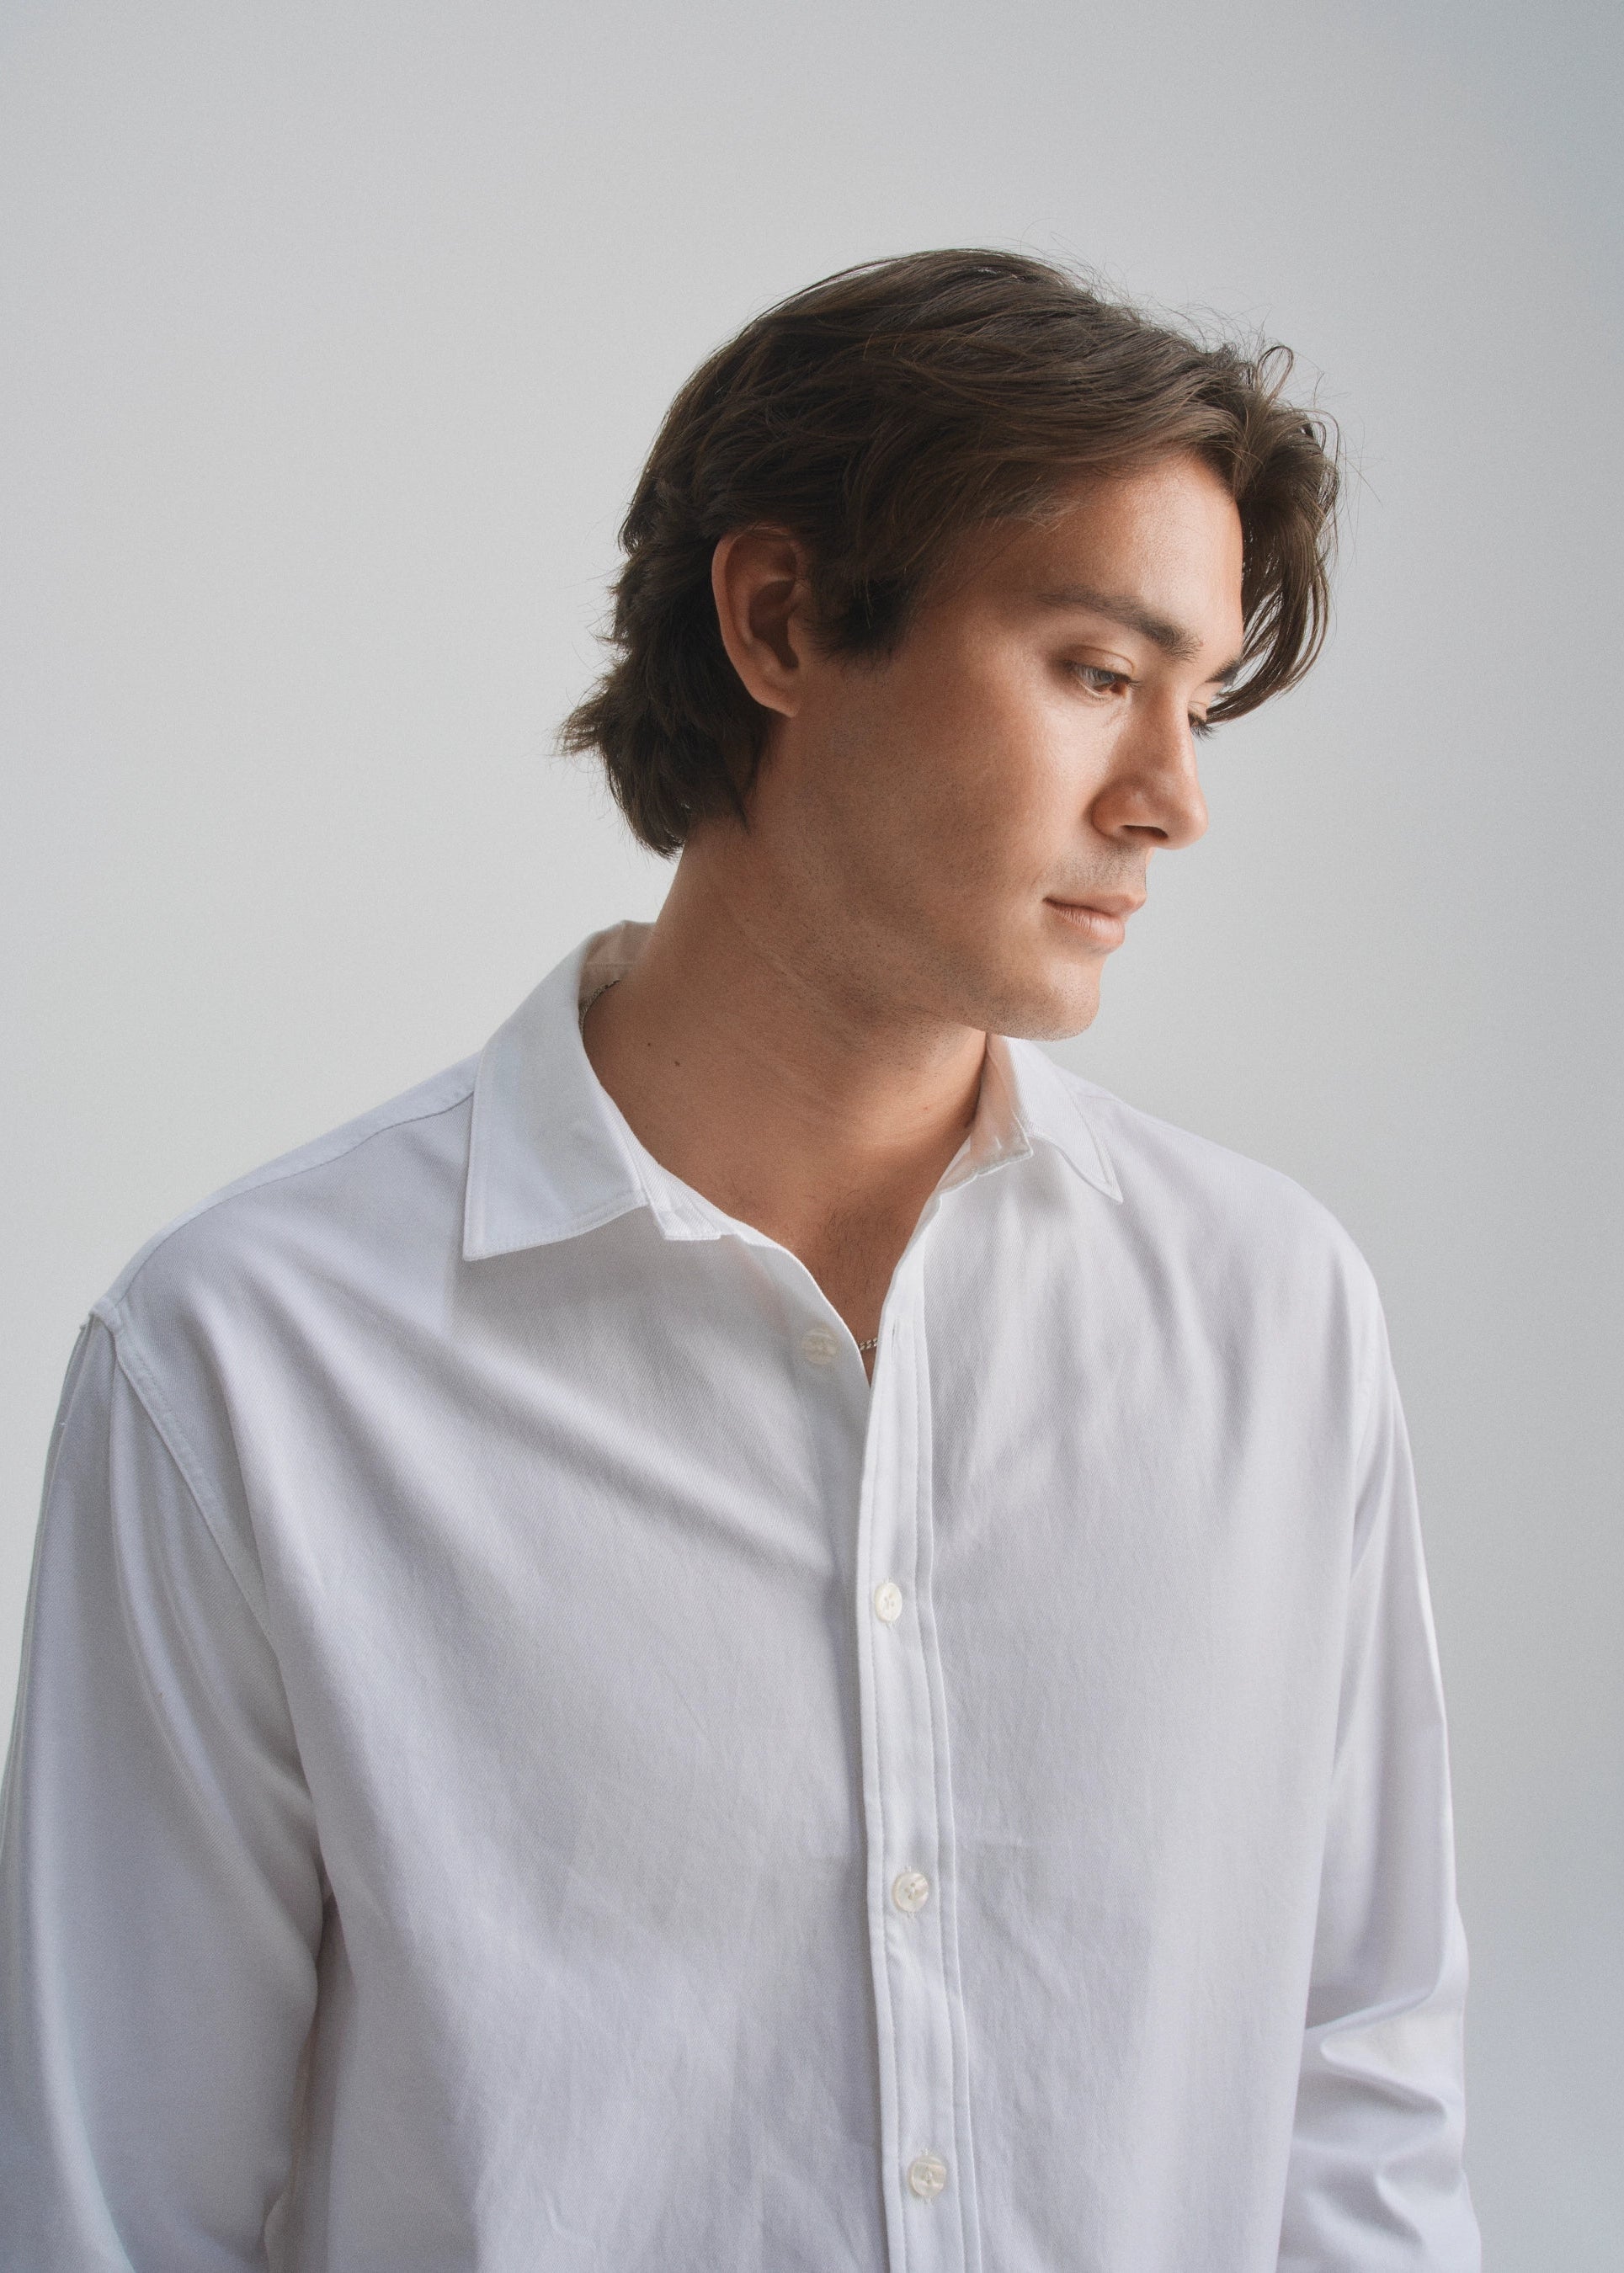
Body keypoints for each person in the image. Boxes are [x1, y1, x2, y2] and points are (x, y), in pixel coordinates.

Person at [0, 249, 1480, 2270]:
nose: (1168, 802)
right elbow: (114, 2209)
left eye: (1196, 701)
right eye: (1091, 671)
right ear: (780, 621)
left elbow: (1357, 2086)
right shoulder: (247, 1370)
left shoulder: (1271, 1321)